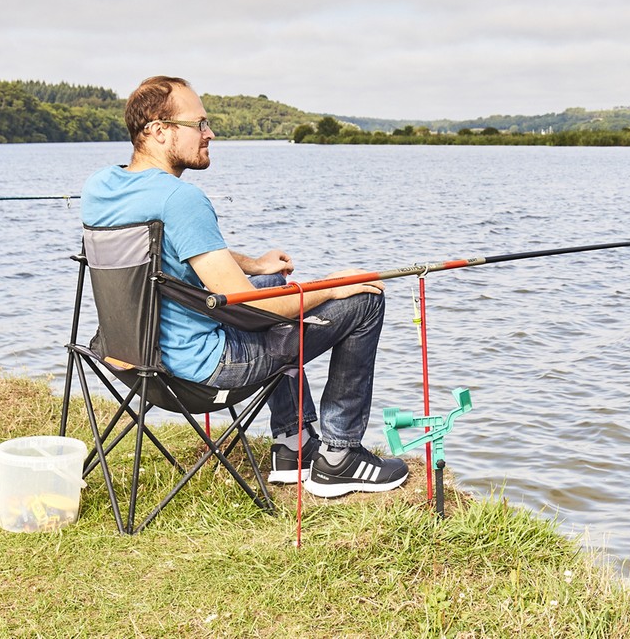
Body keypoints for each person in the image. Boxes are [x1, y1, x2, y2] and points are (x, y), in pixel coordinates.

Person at [80, 75, 409, 498]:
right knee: (362, 300)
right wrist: (330, 287)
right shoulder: (179, 198)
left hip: (134, 363)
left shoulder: (100, 187)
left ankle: (294, 446)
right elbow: (258, 308)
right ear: (159, 131)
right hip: (203, 373)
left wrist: (254, 264)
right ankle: (340, 458)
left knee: (271, 278)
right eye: (198, 124)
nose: (209, 133)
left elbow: (168, 249)